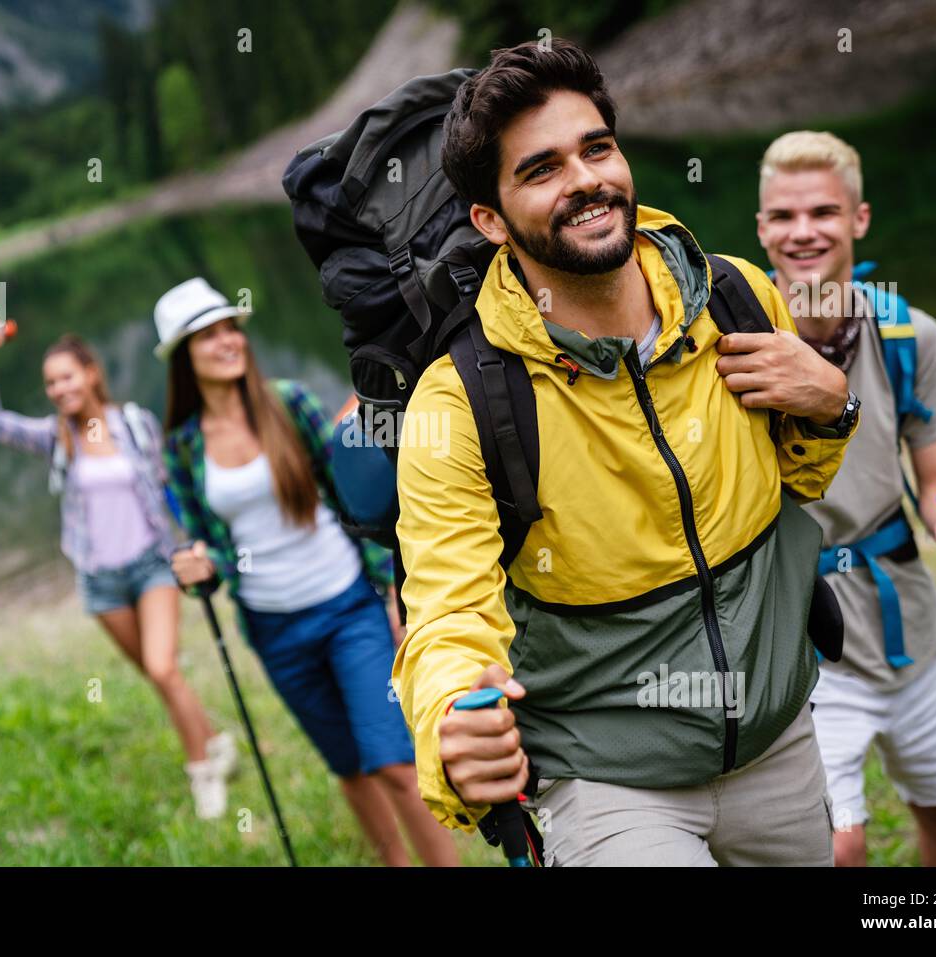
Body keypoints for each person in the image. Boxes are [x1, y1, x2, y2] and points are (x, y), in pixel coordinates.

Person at [391, 39, 862, 866]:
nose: (584, 181)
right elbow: (447, 609)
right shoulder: (460, 401)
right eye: (540, 170)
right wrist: (450, 725)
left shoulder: (738, 296)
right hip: (607, 780)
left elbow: (789, 484)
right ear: (490, 220)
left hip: (780, 740)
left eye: (596, 148)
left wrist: (833, 405)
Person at [157, 277, 458, 866]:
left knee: (393, 761)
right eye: (207, 335)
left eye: (229, 329)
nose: (226, 341)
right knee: (349, 768)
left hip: (347, 607)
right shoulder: (184, 446)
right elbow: (208, 546)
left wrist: (389, 591)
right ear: (184, 358)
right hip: (274, 630)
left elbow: (358, 504)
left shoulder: (289, 402)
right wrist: (196, 567)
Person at [756, 131, 936, 866]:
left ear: (860, 219)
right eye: (784, 216)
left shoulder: (906, 333)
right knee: (838, 842)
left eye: (824, 211)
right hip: (800, 632)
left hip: (906, 621)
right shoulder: (740, 342)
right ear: (761, 227)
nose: (804, 232)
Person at [0, 322, 236, 819]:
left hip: (152, 566)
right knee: (161, 677)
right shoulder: (56, 438)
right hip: (101, 580)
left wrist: (197, 540)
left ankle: (203, 773)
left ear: (90, 374)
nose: (60, 389)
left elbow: (169, 484)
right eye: (51, 383)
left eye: (67, 377)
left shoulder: (134, 424)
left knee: (162, 667)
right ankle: (216, 740)